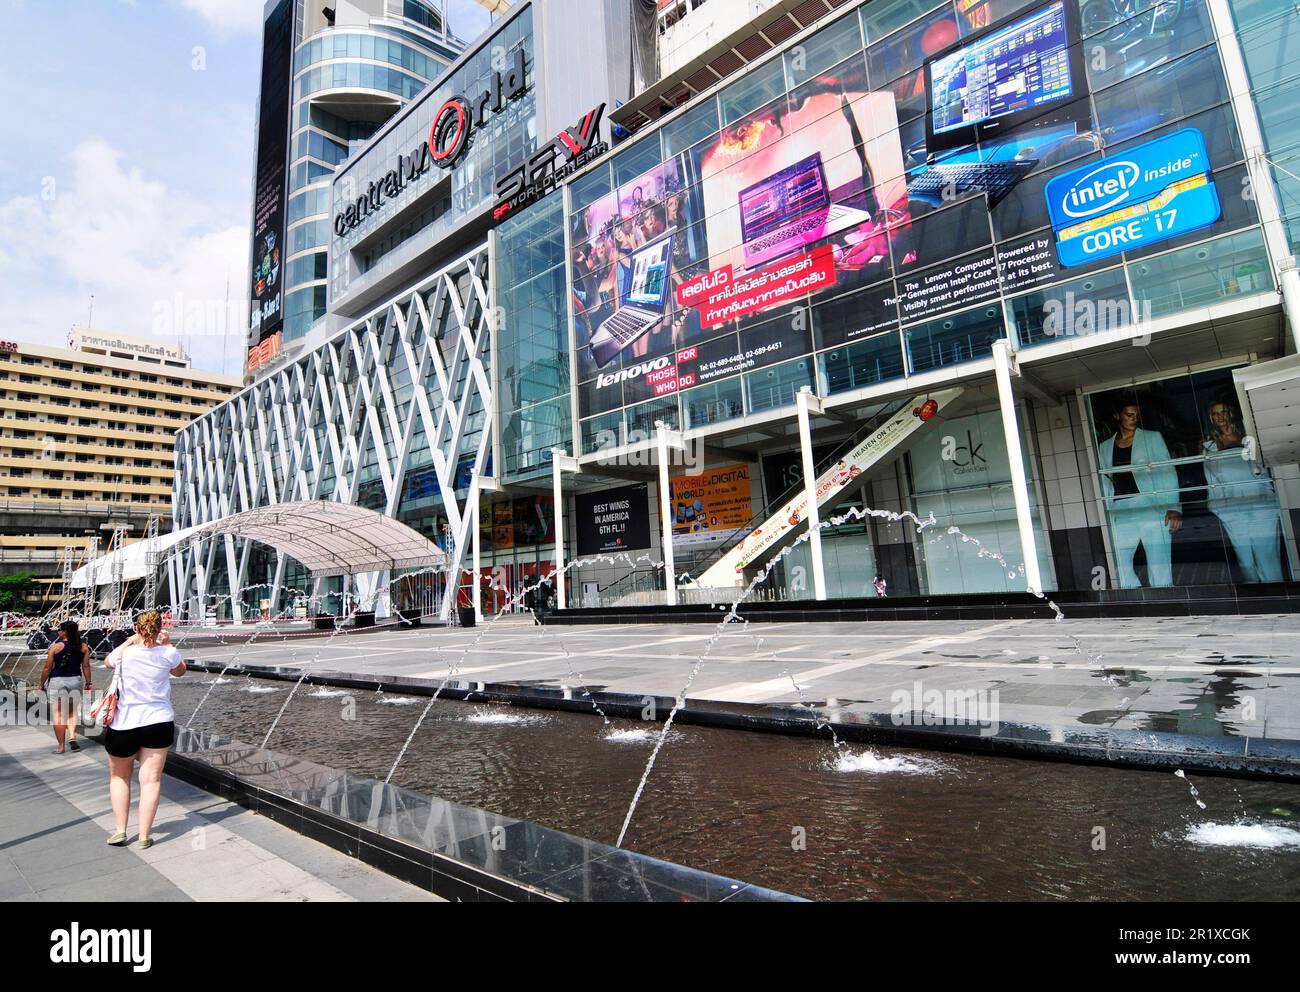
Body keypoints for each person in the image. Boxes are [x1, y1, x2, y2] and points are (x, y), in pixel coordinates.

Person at [101, 611, 186, 849]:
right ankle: (144, 835)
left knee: (119, 777)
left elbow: (108, 661)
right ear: (160, 629)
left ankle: (120, 830)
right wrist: (168, 644)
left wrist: (129, 640)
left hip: (123, 724)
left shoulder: (125, 653)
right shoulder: (168, 652)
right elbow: (180, 672)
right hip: (158, 722)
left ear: (136, 628)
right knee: (151, 780)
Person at [1097, 399, 1183, 588]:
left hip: (1149, 504)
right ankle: (1133, 598)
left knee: (1158, 560)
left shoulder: (1152, 438)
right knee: (1119, 561)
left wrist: (1173, 507)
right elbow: (1104, 482)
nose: (1134, 418)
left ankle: (1165, 600)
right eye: (1129, 414)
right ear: (1117, 416)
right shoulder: (1104, 447)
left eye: (1136, 414)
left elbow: (1167, 471)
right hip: (1120, 508)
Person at [1203, 397, 1286, 583]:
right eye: (1215, 413)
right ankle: (1257, 603)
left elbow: (1265, 471)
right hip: (1232, 509)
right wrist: (1219, 510)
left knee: (1267, 558)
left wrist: (1271, 502)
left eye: (1223, 411)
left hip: (1260, 505)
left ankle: (1279, 599)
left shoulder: (1249, 437)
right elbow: (1212, 483)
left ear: (1230, 413)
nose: (1219, 417)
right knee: (1245, 561)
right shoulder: (1209, 447)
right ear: (1211, 418)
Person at [37, 621, 92, 754]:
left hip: (57, 681)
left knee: (59, 715)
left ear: (65, 632)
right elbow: (86, 666)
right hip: (75, 681)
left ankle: (61, 746)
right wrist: (88, 682)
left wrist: (41, 684)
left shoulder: (55, 647)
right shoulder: (83, 647)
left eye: (60, 630)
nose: (58, 632)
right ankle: (72, 737)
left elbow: (47, 668)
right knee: (72, 712)